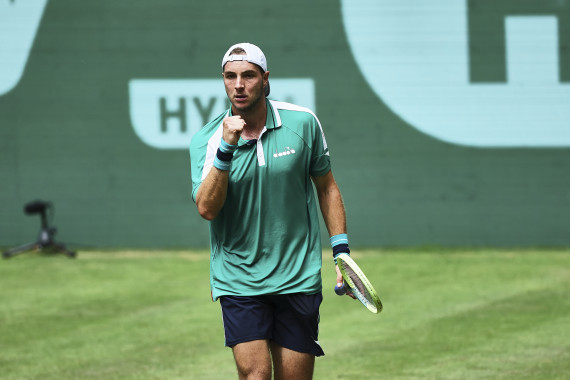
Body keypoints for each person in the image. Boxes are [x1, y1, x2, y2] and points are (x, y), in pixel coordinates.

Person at [189, 42, 353, 380]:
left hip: (297, 275)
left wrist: (341, 253)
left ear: (265, 79)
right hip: (238, 277)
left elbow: (327, 186)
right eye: (230, 76)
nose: (238, 85)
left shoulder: (303, 123)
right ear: (222, 81)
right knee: (256, 376)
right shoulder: (207, 140)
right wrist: (226, 148)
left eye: (248, 76)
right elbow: (207, 208)